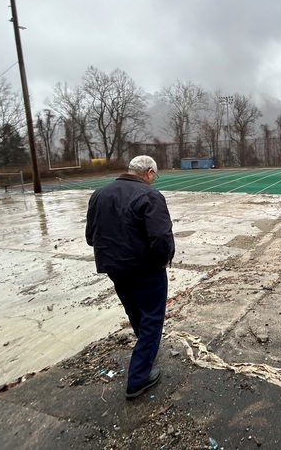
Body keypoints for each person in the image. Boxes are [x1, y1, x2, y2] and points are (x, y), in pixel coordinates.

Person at [85, 155, 175, 399]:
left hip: (114, 268)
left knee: (135, 312)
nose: (153, 180)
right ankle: (138, 377)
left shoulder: (99, 194)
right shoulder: (149, 195)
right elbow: (161, 237)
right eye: (154, 176)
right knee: (152, 318)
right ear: (148, 172)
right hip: (145, 268)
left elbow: (90, 236)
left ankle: (145, 350)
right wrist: (163, 259)